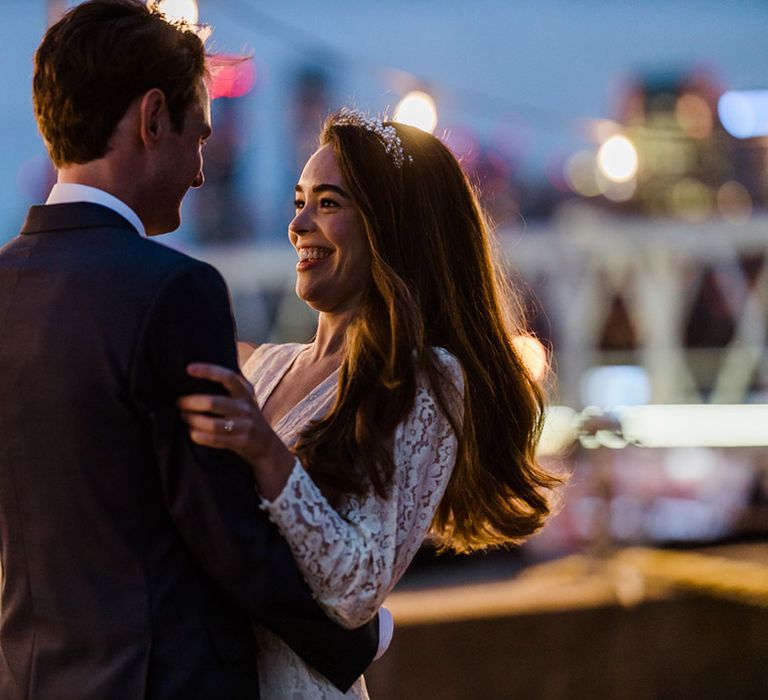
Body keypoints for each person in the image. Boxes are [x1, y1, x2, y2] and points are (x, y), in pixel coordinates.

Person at [0, 3, 382, 699]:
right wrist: (357, 637)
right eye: (198, 135)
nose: (201, 171)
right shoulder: (173, 291)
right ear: (152, 119)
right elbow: (224, 531)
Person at [179, 108, 564, 698]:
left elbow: (358, 588)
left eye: (329, 203)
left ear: (390, 227)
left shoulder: (425, 378)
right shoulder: (268, 366)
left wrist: (264, 452)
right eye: (298, 201)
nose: (299, 224)